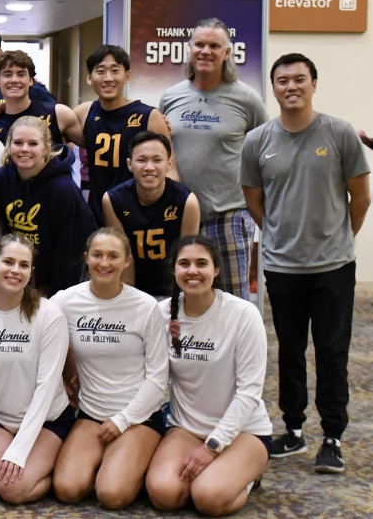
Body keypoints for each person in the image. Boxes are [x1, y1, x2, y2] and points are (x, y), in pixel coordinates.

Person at [240, 52, 370, 472]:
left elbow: (361, 197)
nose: (291, 86)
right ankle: (293, 430)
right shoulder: (257, 140)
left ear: (314, 84)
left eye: (299, 79)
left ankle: (332, 437)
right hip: (282, 267)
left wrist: (337, 240)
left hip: (333, 267)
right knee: (290, 351)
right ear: (273, 88)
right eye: (282, 80)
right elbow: (255, 201)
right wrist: (282, 238)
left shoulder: (339, 133)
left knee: (332, 352)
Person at [146, 235, 271, 515]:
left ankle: (249, 474)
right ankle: (219, 474)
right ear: (174, 271)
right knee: (164, 494)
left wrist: (213, 447)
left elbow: (250, 392)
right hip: (186, 427)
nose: (192, 271)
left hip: (242, 431)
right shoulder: (162, 313)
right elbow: (154, 377)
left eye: (201, 263)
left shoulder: (243, 315)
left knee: (208, 498)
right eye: (184, 263)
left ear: (216, 270)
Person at [51, 228, 169, 509]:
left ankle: (138, 462)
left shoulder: (145, 306)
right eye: (97, 255)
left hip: (138, 417)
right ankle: (111, 463)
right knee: (67, 489)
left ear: (127, 261)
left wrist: (123, 420)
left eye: (113, 256)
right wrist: (65, 379)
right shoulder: (65, 301)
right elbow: (36, 330)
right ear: (86, 258)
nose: (105, 263)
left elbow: (158, 378)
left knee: (111, 494)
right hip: (91, 414)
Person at [159, 18, 267, 304]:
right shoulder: (171, 97)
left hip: (228, 216)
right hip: (180, 216)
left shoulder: (247, 100)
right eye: (200, 44)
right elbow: (161, 149)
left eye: (214, 45)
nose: (206, 51)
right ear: (190, 49)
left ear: (227, 53)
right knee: (183, 299)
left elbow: (262, 155)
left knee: (233, 301)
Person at [0, 234, 72, 504]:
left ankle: (53, 469)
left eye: (23, 265)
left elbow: (46, 389)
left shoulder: (49, 315)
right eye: (8, 262)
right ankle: (16, 459)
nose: (14, 270)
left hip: (48, 420)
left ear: (31, 272)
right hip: (0, 420)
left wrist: (19, 451)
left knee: (11, 489)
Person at [0, 116, 95, 296]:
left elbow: (72, 253)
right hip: (15, 279)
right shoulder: (0, 180)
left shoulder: (63, 189)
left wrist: (54, 294)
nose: (24, 149)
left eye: (33, 144)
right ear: (9, 146)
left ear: (46, 148)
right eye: (18, 143)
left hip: (56, 286)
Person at [74, 45, 170, 224]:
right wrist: (4, 107)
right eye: (100, 71)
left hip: (139, 216)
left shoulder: (149, 116)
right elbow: (47, 125)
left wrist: (167, 211)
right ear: (89, 78)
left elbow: (170, 169)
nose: (108, 78)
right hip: (97, 217)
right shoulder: (84, 112)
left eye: (115, 71)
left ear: (127, 76)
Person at [104, 132, 200, 297]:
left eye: (157, 160)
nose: (149, 167)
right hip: (135, 289)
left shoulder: (187, 201)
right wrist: (130, 300)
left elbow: (187, 256)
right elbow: (124, 256)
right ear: (129, 164)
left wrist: (180, 301)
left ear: (169, 164)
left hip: (172, 290)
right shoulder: (113, 200)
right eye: (141, 160)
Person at [0, 50, 82, 146]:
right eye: (7, 75)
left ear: (31, 80)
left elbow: (92, 147)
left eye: (21, 74)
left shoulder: (57, 114)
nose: (14, 80)